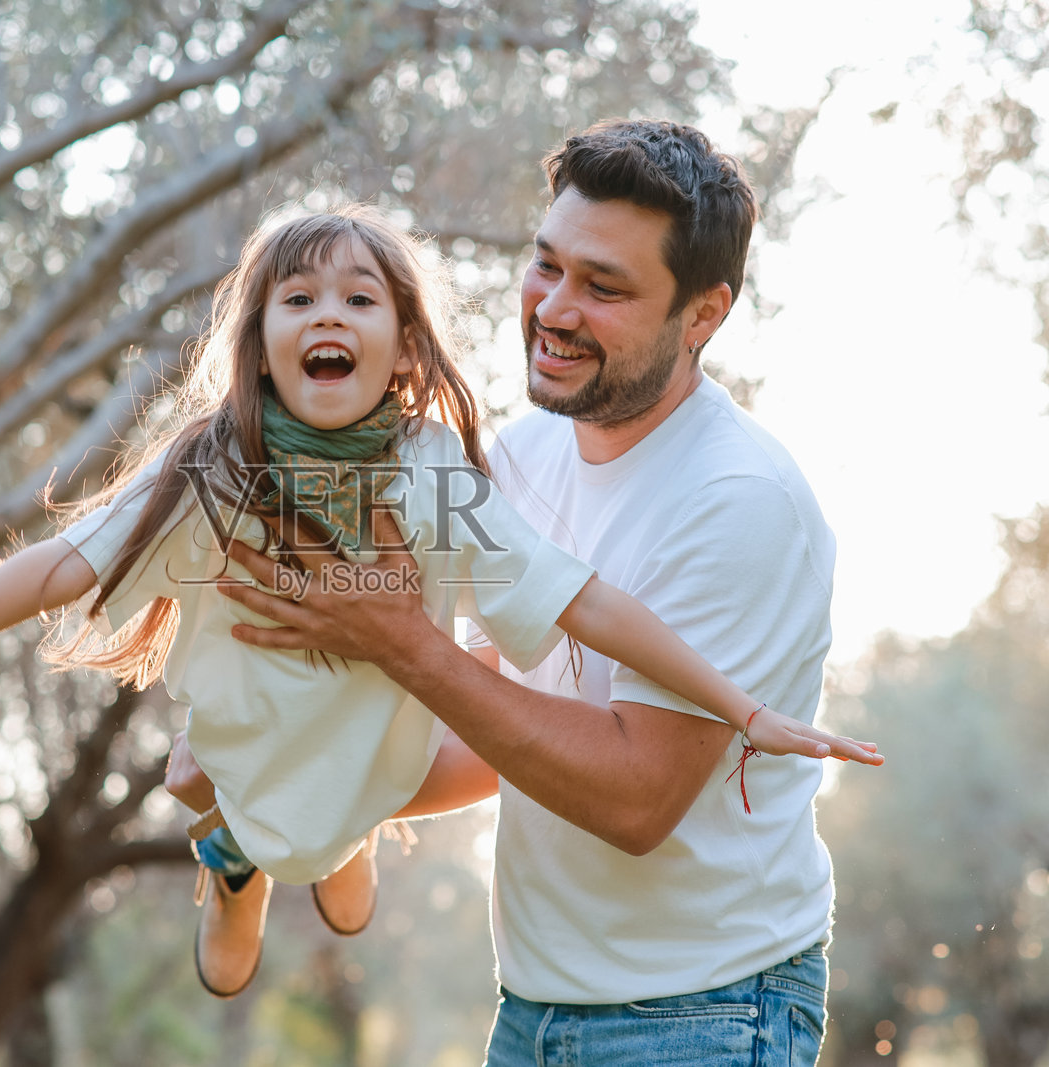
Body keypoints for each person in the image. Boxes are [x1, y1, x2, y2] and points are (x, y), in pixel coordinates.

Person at [0, 203, 877, 1006]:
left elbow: (581, 604)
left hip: (411, 789)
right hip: (252, 762)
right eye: (295, 298)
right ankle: (235, 863)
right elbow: (65, 564)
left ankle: (341, 834)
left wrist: (740, 707)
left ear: (402, 345)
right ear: (255, 339)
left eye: (358, 298)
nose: (325, 315)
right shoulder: (211, 465)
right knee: (213, 786)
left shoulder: (438, 473)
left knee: (343, 815)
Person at [208, 121, 859, 1062]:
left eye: (603, 287)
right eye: (546, 265)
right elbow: (510, 723)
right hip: (535, 1010)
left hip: (704, 1016)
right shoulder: (524, 453)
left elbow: (637, 797)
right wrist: (297, 781)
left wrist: (405, 648)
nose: (553, 308)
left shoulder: (738, 503)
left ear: (704, 314)